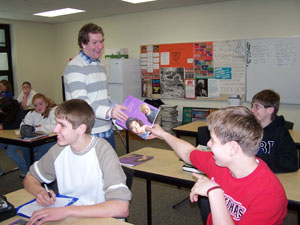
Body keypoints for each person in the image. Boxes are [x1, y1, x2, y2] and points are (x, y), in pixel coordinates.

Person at [148, 106, 287, 225]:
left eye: (213, 140)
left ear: (232, 148)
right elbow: (189, 153)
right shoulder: (220, 163)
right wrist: (164, 135)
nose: (208, 144)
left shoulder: (270, 196)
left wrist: (214, 193)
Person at [23, 99, 131, 225]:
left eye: (62, 125)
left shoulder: (102, 150)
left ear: (80, 129)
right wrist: (40, 192)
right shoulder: (60, 149)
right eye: (56, 123)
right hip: (71, 217)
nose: (55, 129)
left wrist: (68, 211)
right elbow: (30, 178)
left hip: (101, 219)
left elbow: (121, 208)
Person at [63, 23, 128, 150]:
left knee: (108, 168)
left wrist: (115, 107)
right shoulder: (75, 67)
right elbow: (82, 104)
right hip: (88, 133)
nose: (100, 46)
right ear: (83, 43)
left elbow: (103, 97)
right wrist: (109, 112)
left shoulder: (100, 65)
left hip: (106, 129)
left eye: (101, 41)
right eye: (94, 42)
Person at [6, 93, 57, 178]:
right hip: (37, 140)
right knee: (25, 147)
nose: (38, 107)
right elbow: (23, 125)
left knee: (40, 154)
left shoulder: (53, 111)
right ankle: (31, 171)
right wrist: (31, 128)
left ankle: (41, 175)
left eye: (41, 104)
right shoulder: (32, 113)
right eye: (36, 105)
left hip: (51, 140)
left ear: (46, 103)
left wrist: (35, 128)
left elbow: (54, 127)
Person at [251, 89, 298, 173]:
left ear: (270, 110)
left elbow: (291, 163)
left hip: (271, 176)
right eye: (253, 106)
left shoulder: (281, 133)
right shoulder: (248, 129)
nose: (252, 110)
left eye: (257, 107)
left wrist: (260, 159)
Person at [0, 97, 25, 177]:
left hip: (18, 136)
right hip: (6, 136)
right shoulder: (3, 110)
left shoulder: (19, 112)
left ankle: (26, 171)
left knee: (10, 152)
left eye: (1, 110)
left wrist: (3, 126)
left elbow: (17, 125)